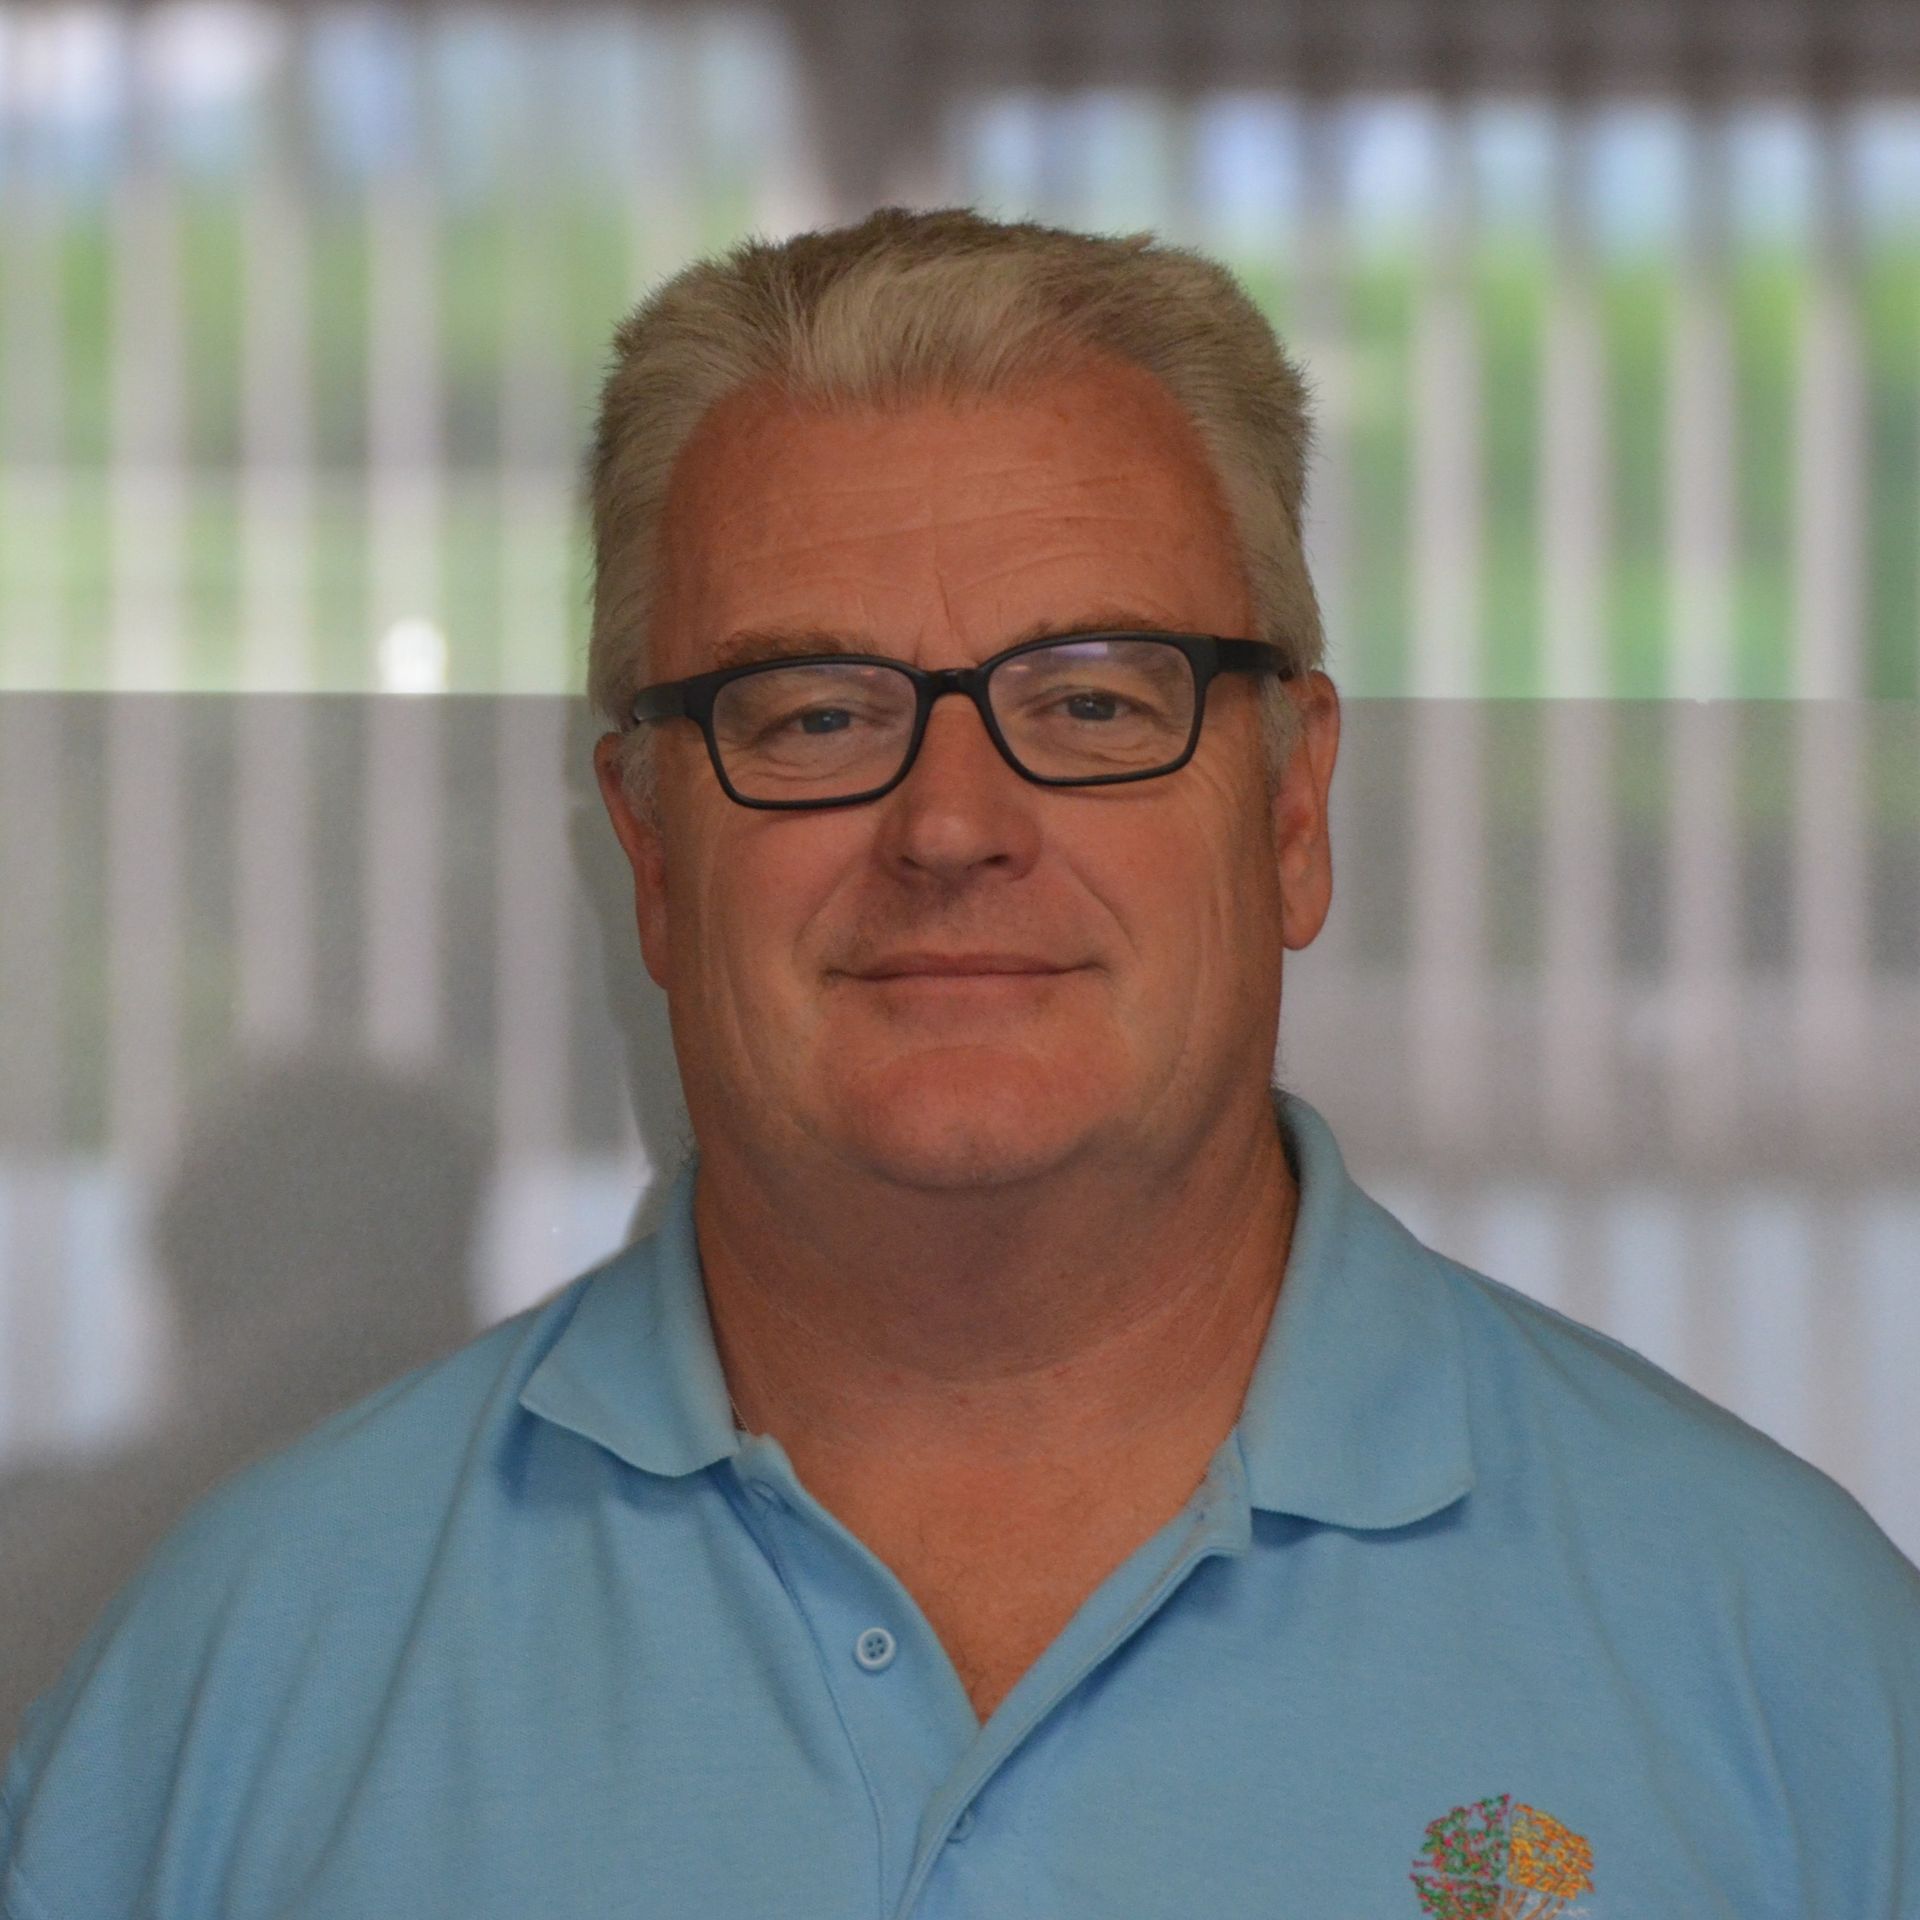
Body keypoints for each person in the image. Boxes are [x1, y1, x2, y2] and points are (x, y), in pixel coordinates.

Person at [3, 207, 1915, 1920]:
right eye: (816, 712)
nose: (952, 826)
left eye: (1091, 699)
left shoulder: (1793, 1672)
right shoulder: (235, 1693)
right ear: (653, 850)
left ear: (1295, 808)